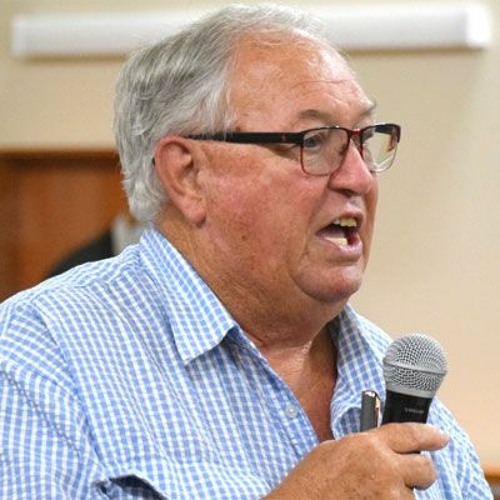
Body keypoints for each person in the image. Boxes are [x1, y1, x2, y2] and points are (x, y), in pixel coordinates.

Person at [0, 4, 492, 499]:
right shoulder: (40, 353)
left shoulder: (400, 380)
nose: (358, 177)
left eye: (364, 139)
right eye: (313, 141)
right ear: (189, 175)